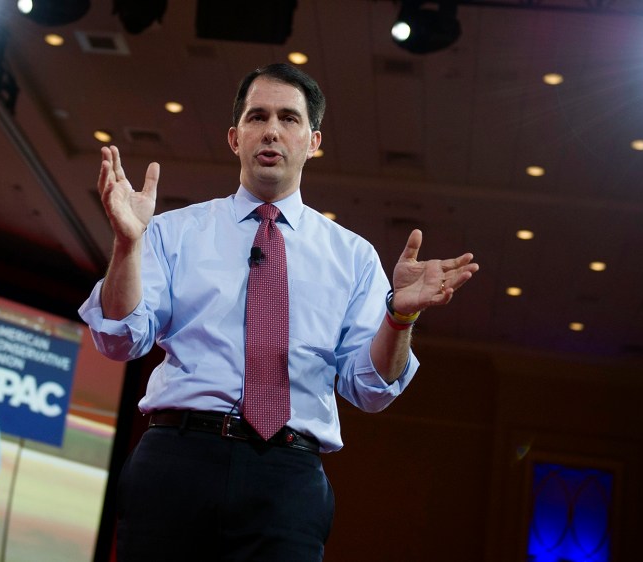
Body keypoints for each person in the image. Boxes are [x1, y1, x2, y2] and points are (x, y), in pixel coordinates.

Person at [78, 63, 479, 561]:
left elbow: (370, 389)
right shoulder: (171, 232)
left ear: (313, 141)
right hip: (177, 461)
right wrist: (125, 243)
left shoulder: (352, 256)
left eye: (289, 118)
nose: (271, 130)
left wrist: (398, 316)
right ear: (234, 137)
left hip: (286, 480)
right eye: (257, 117)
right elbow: (120, 339)